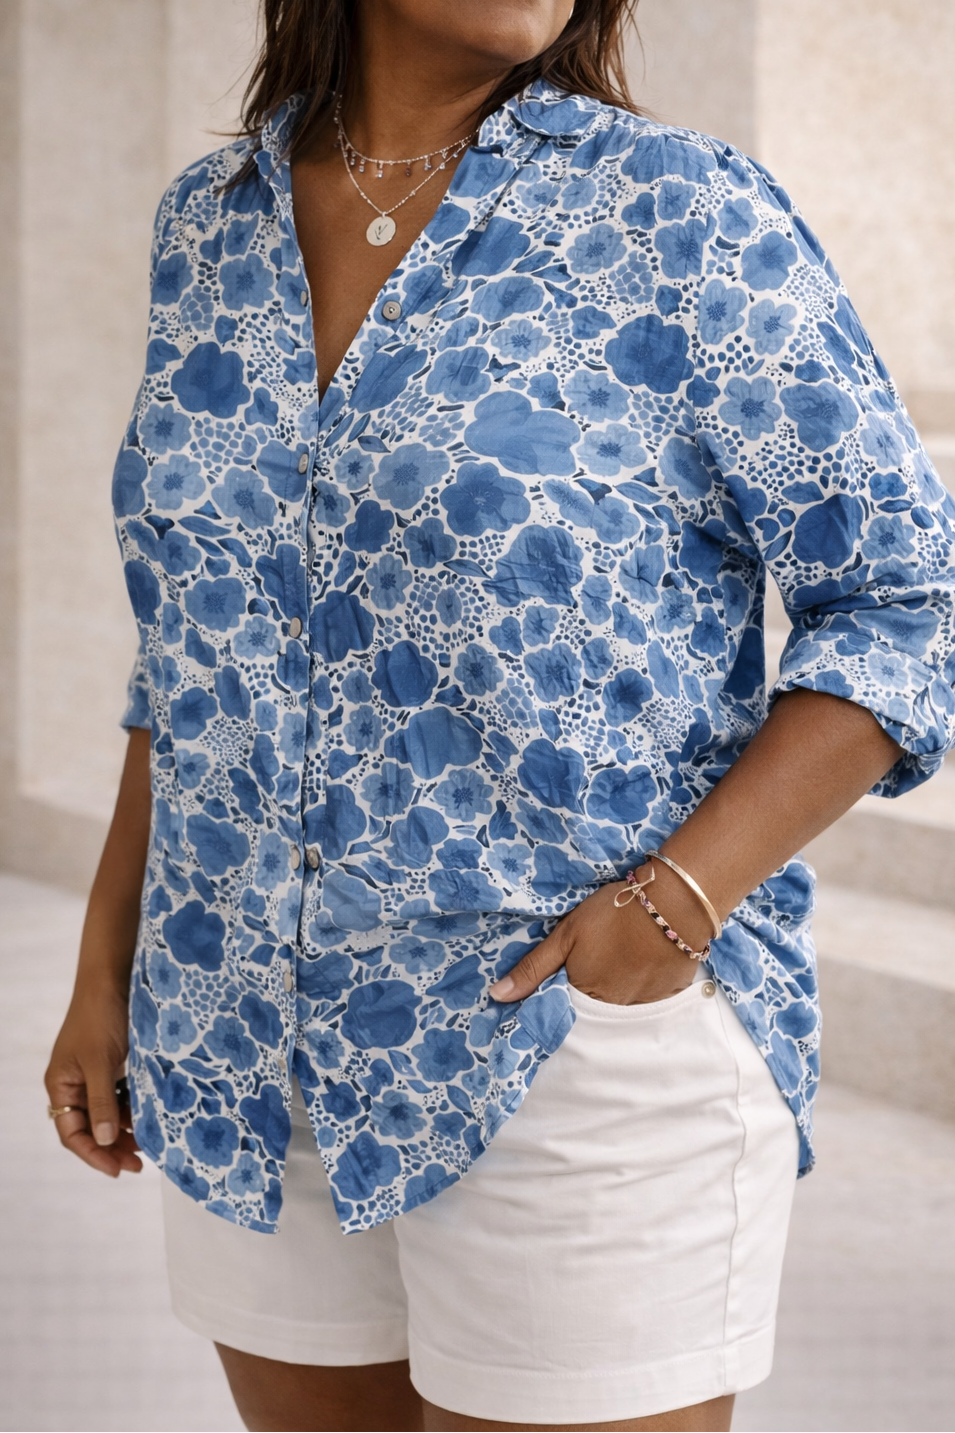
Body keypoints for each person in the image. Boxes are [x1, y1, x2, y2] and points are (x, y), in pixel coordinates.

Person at [45, 1, 955, 1429]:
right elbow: (198, 647)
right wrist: (110, 963)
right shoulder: (208, 226)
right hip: (236, 1038)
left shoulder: (676, 213)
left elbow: (907, 597)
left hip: (561, 1042)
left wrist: (677, 902)